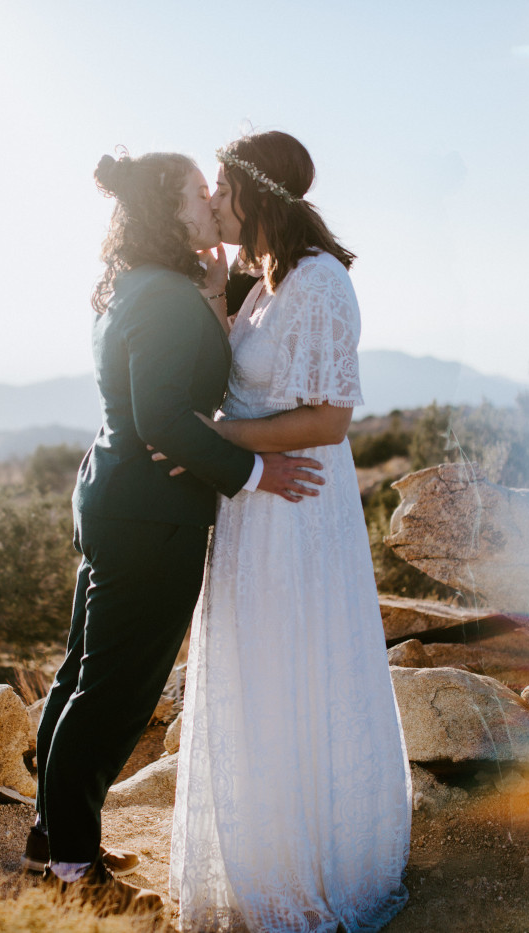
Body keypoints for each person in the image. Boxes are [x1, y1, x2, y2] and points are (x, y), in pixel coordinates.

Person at [25, 149, 325, 913]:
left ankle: (53, 840)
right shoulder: (161, 298)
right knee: (113, 697)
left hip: (119, 500)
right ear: (170, 210)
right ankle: (69, 871)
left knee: (79, 678)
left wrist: (215, 292)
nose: (212, 198)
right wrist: (257, 474)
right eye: (200, 190)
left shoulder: (147, 284)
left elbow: (172, 395)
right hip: (150, 513)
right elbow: (162, 417)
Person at [168, 131, 412, 932]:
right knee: (257, 671)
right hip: (250, 508)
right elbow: (235, 378)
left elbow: (332, 417)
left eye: (222, 191)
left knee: (296, 668)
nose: (212, 203)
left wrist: (215, 443)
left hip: (296, 508)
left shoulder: (320, 283)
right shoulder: (261, 281)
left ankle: (315, 859)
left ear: (254, 195)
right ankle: (258, 852)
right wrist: (211, 286)